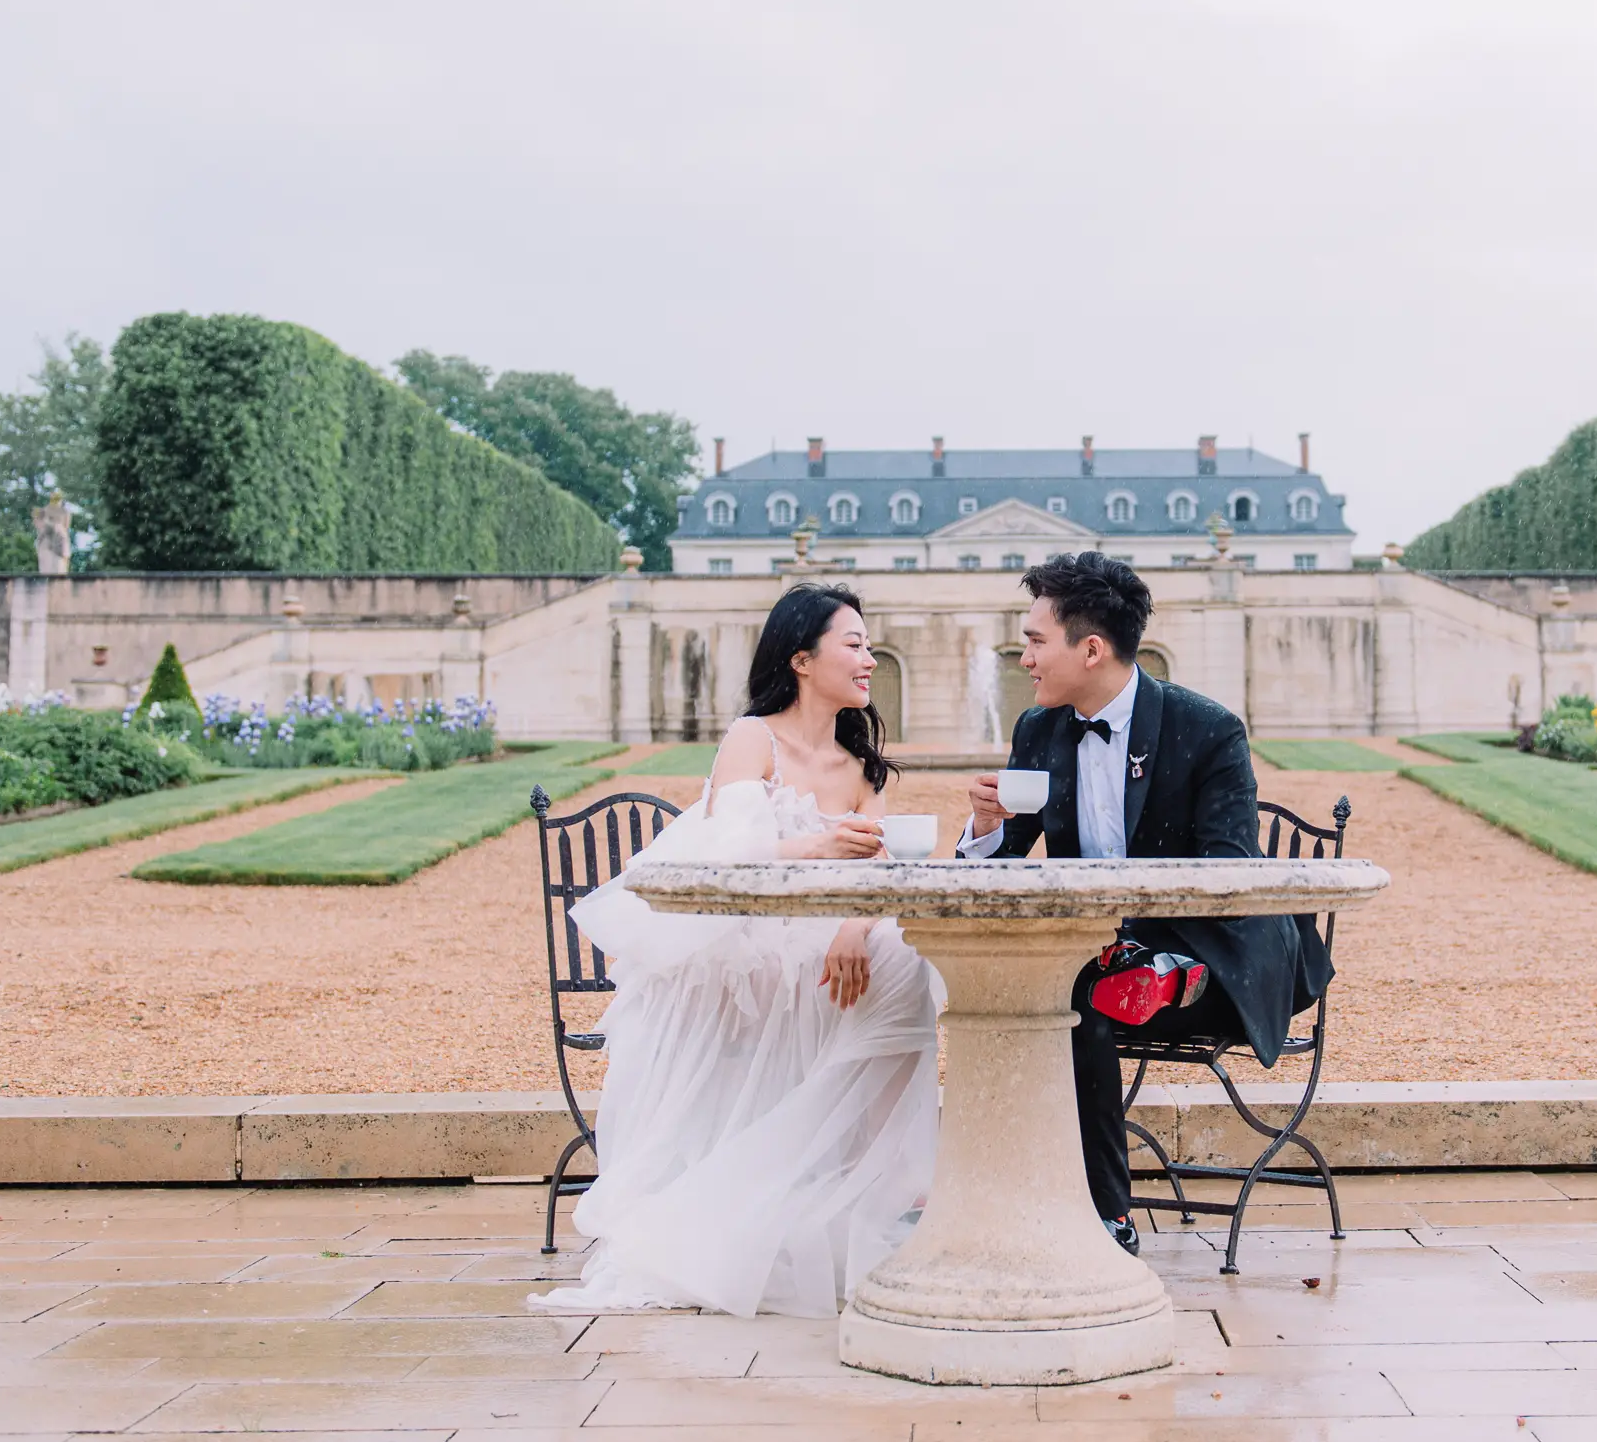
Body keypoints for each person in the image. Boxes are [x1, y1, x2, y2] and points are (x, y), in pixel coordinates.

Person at [534, 584, 945, 1318]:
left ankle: (870, 1190)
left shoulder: (863, 768)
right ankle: (771, 1188)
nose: (869, 659)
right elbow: (729, 853)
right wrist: (819, 845)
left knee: (905, 960)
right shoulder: (753, 738)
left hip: (825, 938)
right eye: (853, 644)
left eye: (868, 644)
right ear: (800, 659)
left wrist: (857, 923)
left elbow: (886, 869)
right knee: (823, 975)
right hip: (740, 937)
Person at [960, 552, 1330, 1255]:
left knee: (1075, 986)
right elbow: (1000, 864)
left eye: (1036, 640)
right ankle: (1017, 1186)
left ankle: (1105, 1216)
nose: (1024, 657)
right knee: (1054, 982)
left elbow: (1227, 872)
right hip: (1104, 966)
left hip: (1214, 958)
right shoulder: (1039, 732)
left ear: (1090, 649)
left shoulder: (1208, 729)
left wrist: (1121, 928)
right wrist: (985, 830)